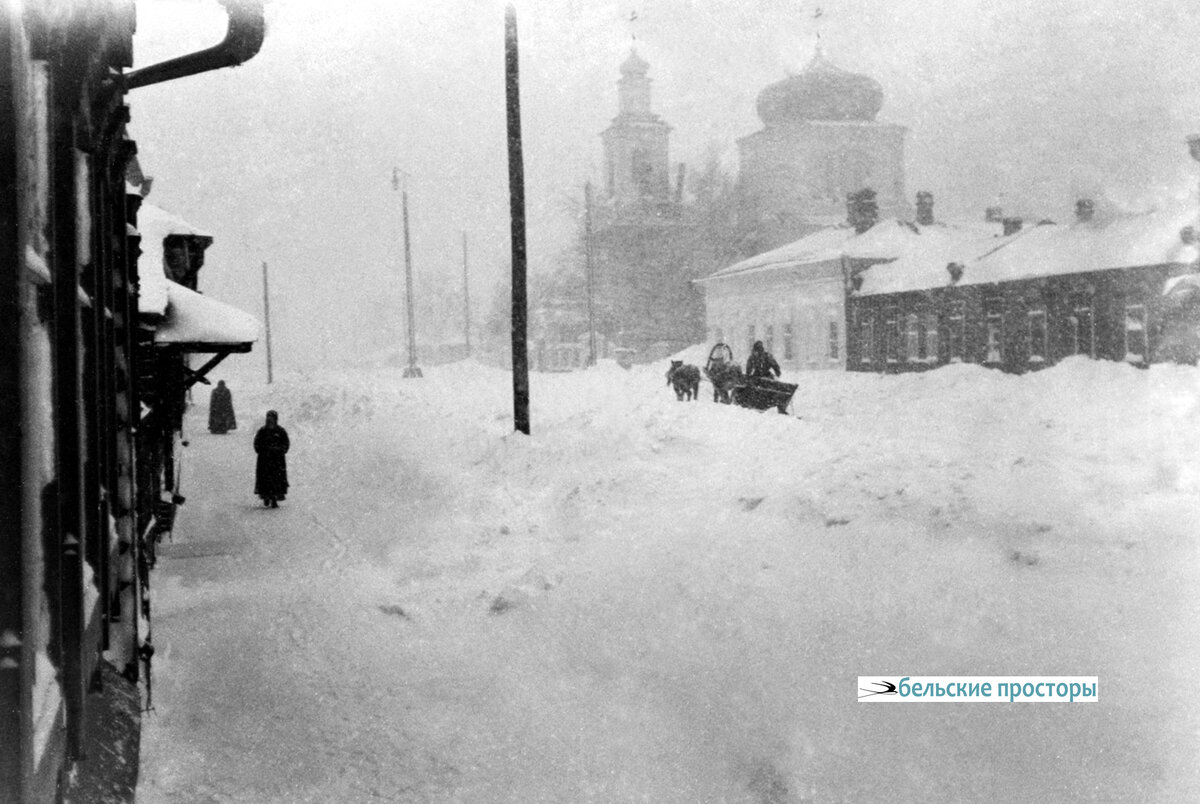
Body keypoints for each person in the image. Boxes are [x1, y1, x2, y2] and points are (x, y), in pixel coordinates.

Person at [253, 410, 290, 508]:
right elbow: (257, 444)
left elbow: (286, 445)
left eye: (271, 419)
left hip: (277, 462)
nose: (270, 421)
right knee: (266, 480)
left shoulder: (280, 432)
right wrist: (264, 451)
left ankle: (273, 498)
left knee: (276, 480)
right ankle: (266, 496)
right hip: (265, 461)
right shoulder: (262, 431)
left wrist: (278, 450)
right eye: (268, 419)